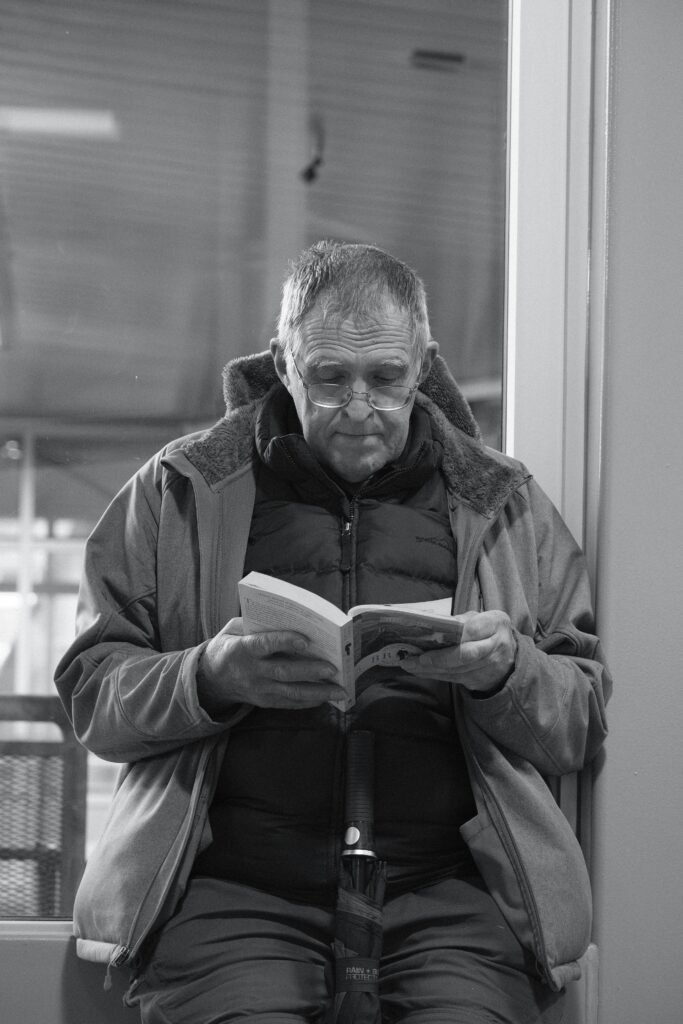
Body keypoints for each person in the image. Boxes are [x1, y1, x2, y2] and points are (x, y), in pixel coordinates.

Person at [55, 241, 611, 1024]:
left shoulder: (507, 504)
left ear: (422, 364)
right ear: (283, 363)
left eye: (385, 378)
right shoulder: (178, 491)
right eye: (329, 378)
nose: (358, 407)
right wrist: (205, 678)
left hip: (450, 890)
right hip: (236, 890)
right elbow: (89, 692)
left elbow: (581, 718)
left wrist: (504, 671)